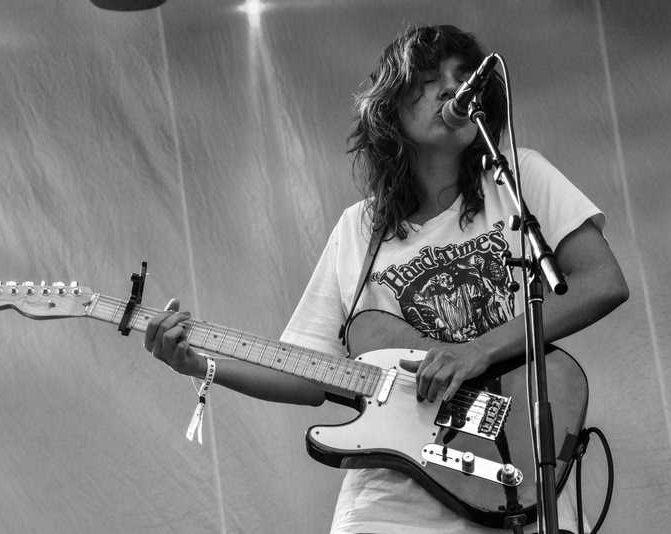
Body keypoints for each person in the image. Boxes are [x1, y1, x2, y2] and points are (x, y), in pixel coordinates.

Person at [144, 25, 629, 534]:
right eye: (429, 78)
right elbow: (308, 371)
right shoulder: (359, 228)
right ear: (391, 106)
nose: (452, 88)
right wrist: (200, 364)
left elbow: (602, 281)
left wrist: (478, 351)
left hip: (513, 474)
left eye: (464, 78)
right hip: (389, 504)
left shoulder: (519, 178)